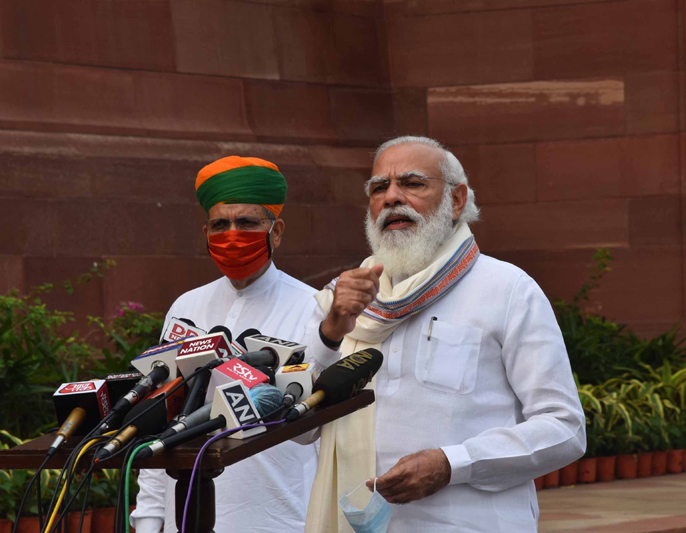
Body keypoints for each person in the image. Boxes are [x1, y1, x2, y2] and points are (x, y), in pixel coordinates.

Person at [300, 136, 586, 532]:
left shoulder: (506, 289)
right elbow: (298, 429)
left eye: (413, 183)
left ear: (456, 200)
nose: (392, 198)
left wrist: (453, 464)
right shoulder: (345, 301)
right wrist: (331, 331)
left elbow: (564, 427)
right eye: (379, 187)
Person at [131, 156, 320, 533]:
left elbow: (315, 429)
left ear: (276, 230)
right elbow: (159, 415)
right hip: (183, 515)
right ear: (205, 231)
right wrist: (150, 520)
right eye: (220, 224)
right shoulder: (185, 307)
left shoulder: (314, 310)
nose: (232, 234)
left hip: (278, 519)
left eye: (248, 222)